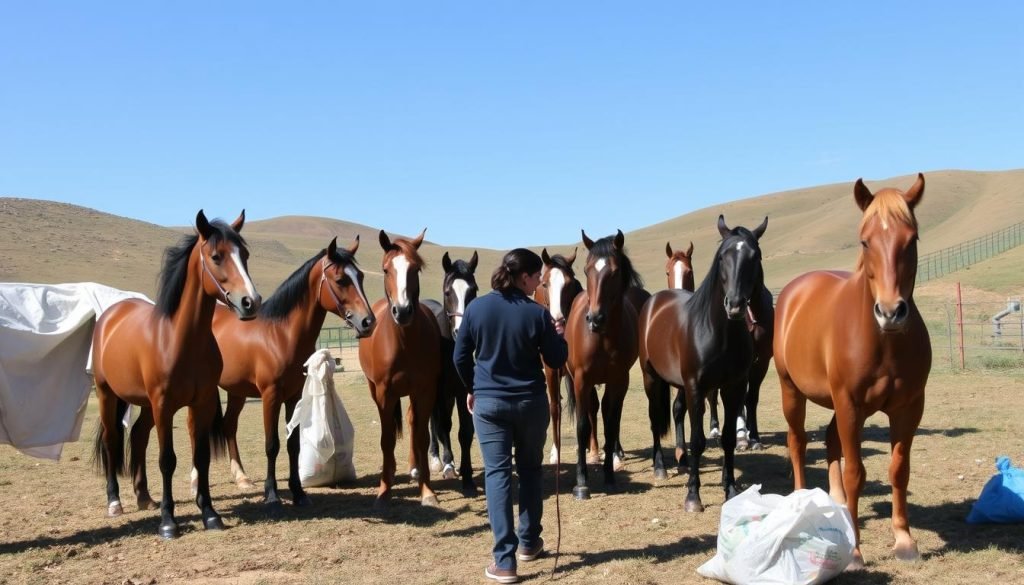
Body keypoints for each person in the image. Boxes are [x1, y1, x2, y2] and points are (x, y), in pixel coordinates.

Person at [453, 248, 568, 584]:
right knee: (531, 470)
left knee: (497, 475)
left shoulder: (476, 309)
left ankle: (504, 561)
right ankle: (529, 543)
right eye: (536, 278)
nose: (538, 284)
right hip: (530, 403)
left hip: (489, 406)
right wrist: (558, 335)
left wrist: (473, 387)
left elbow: (460, 357)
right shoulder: (538, 313)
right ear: (523, 277)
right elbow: (557, 359)